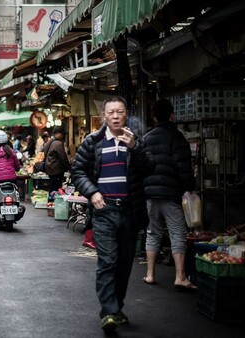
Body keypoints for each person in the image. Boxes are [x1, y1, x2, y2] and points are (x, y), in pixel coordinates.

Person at [71, 96, 153, 333]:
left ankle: (116, 307)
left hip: (130, 210)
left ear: (126, 114)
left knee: (125, 264)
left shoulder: (135, 142)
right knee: (108, 261)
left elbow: (150, 168)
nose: (116, 116)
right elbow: (77, 170)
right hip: (104, 210)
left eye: (120, 112)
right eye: (111, 112)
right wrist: (92, 192)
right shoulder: (93, 141)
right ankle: (108, 312)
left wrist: (134, 148)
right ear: (104, 117)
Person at [142, 98, 196, 289]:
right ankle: (180, 276)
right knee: (177, 233)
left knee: (152, 233)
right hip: (171, 193)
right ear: (172, 115)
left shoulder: (146, 138)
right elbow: (183, 166)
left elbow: (140, 167)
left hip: (150, 193)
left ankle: (150, 274)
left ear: (154, 117)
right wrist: (190, 186)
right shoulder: (177, 137)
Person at [42, 126, 70, 193]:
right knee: (56, 189)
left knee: (52, 187)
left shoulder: (49, 142)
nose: (63, 136)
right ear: (57, 134)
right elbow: (63, 157)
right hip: (56, 170)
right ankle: (53, 202)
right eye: (62, 134)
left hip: (50, 169)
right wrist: (69, 167)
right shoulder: (58, 143)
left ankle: (51, 201)